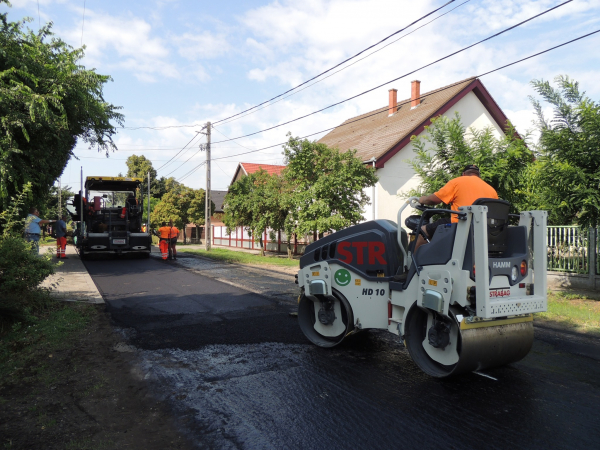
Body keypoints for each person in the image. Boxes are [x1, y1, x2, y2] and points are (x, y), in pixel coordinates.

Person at [414, 165, 498, 253]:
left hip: (460, 225)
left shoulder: (457, 182)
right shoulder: (491, 190)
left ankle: (414, 264)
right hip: (484, 229)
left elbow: (434, 199)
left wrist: (422, 199)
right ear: (478, 176)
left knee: (422, 231)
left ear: (463, 174)